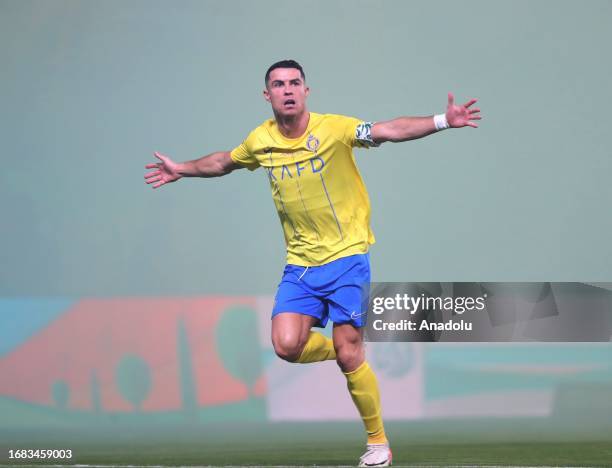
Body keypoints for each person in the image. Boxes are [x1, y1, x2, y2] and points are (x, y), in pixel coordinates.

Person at [144, 59, 481, 467]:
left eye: (294, 83)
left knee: (348, 351)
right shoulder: (261, 140)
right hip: (300, 265)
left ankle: (378, 443)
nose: (287, 90)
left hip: (347, 258)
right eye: (278, 84)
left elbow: (388, 131)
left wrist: (443, 120)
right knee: (286, 345)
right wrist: (181, 169)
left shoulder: (335, 129)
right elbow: (223, 163)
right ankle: (347, 351)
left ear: (306, 91)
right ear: (266, 95)